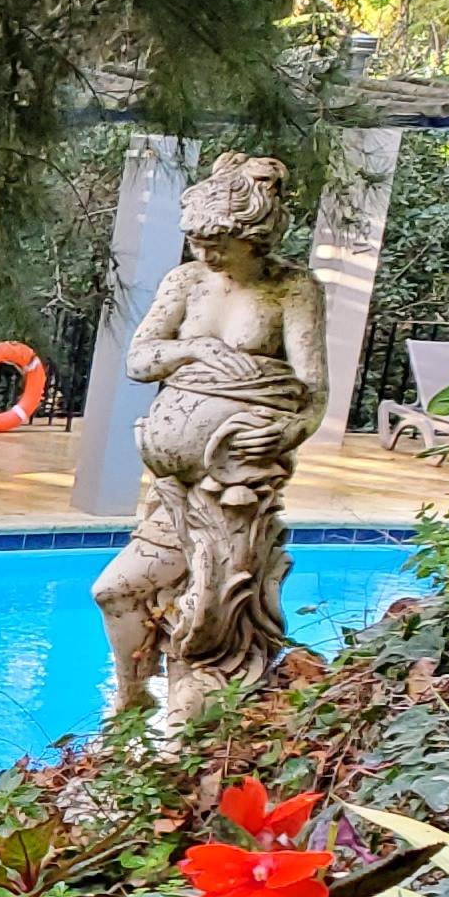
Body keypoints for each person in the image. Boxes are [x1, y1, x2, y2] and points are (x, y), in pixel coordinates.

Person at [93, 152, 332, 718]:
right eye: (198, 240)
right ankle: (131, 699)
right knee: (114, 590)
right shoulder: (187, 282)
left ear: (256, 235)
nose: (206, 253)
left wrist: (285, 433)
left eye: (219, 241)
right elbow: (141, 358)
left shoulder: (292, 290)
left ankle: (191, 720)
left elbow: (312, 389)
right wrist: (197, 348)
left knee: (206, 618)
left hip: (235, 491)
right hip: (172, 489)